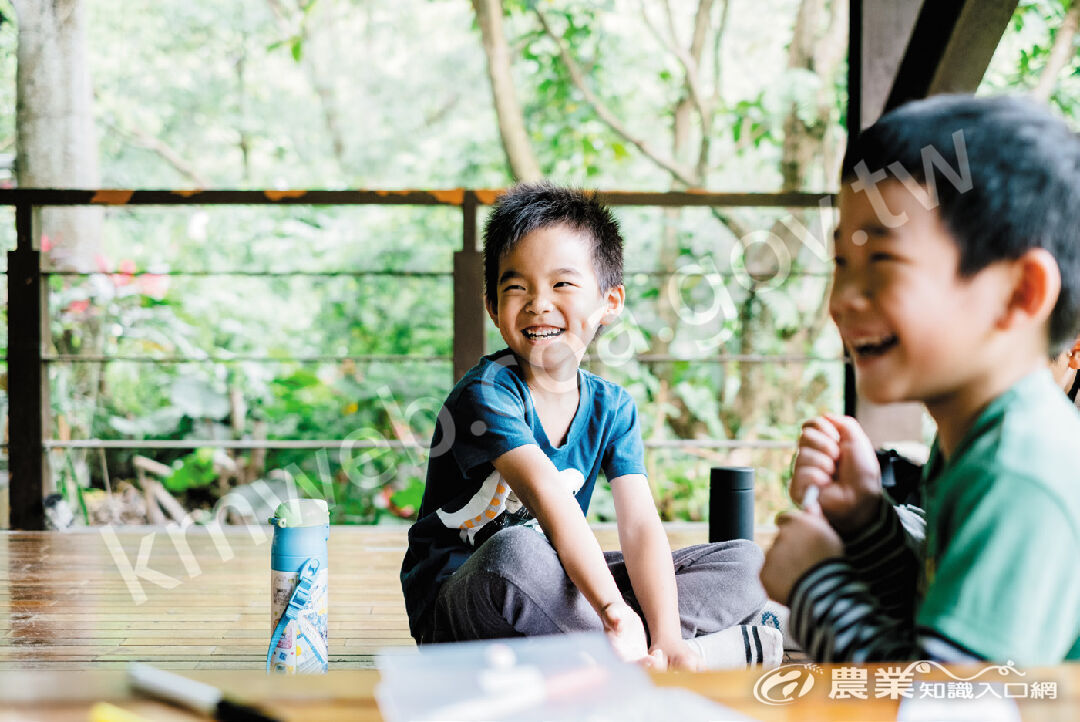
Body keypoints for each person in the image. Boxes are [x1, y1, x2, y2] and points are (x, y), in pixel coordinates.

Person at [401, 183, 779, 670]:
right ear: (493, 306)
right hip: (465, 605)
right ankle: (692, 650)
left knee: (744, 564)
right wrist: (612, 610)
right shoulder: (486, 394)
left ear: (610, 301)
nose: (538, 303)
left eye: (562, 284)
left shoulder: (613, 406)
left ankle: (660, 653)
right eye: (516, 287)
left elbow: (640, 526)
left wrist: (665, 633)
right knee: (516, 551)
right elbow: (549, 498)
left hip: (557, 593)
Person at [759, 95, 1080, 664]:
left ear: (1019, 293)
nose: (842, 301)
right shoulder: (978, 435)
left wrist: (815, 585)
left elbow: (943, 704)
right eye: (841, 264)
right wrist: (866, 523)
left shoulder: (1021, 469)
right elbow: (931, 612)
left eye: (882, 261)